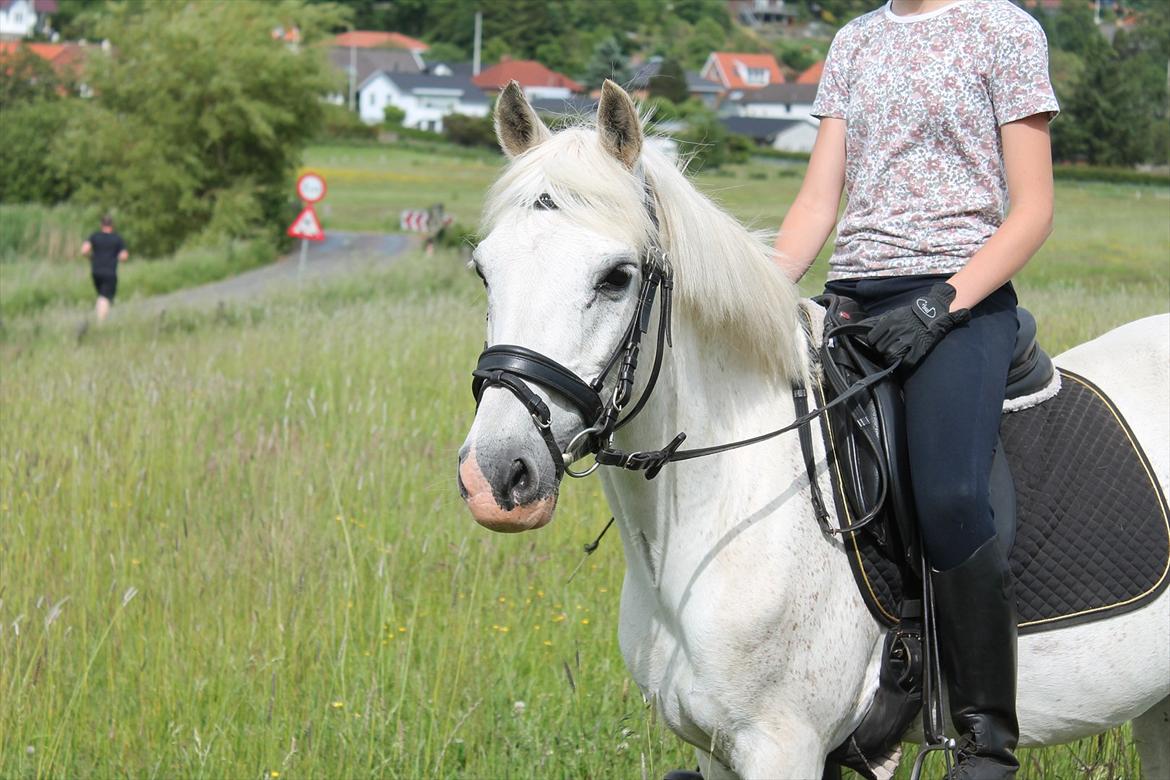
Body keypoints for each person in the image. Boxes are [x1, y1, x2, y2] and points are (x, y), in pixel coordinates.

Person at [773, 1, 1058, 777]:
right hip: (854, 306)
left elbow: (1032, 209)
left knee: (949, 497)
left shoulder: (1003, 29)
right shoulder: (855, 39)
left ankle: (986, 738)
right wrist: (759, 290)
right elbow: (816, 205)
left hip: (960, 304)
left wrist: (943, 302)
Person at [81, 215, 129, 323]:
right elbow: (124, 256)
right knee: (105, 297)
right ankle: (100, 323)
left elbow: (84, 250)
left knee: (102, 295)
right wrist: (116, 258)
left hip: (96, 271)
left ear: (101, 225)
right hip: (110, 272)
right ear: (112, 225)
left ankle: (100, 316)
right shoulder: (117, 238)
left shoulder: (94, 236)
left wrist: (91, 258)